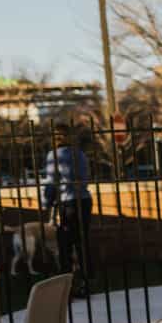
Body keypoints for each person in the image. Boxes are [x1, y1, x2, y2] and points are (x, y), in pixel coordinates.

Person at [42, 123, 92, 295]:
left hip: (67, 203)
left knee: (65, 246)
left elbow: (51, 182)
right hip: (84, 201)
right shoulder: (81, 155)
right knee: (82, 243)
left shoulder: (54, 155)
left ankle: (67, 286)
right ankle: (86, 282)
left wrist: (46, 204)